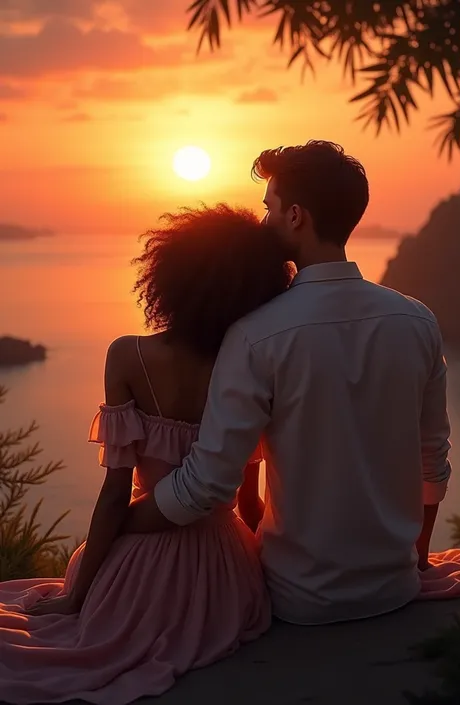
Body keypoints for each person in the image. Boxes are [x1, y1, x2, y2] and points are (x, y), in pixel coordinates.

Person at [124, 140, 452, 626]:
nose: (262, 223)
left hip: (300, 601)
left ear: (295, 216)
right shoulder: (417, 321)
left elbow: (209, 484)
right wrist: (419, 553)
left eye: (268, 209)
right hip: (396, 588)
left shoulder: (257, 334)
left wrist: (120, 524)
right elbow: (433, 460)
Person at [0, 204, 293, 704]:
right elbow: (247, 503)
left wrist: (76, 597)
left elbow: (115, 496)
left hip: (139, 569)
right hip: (226, 574)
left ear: (171, 275)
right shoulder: (246, 365)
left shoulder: (128, 355)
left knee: (66, 625)